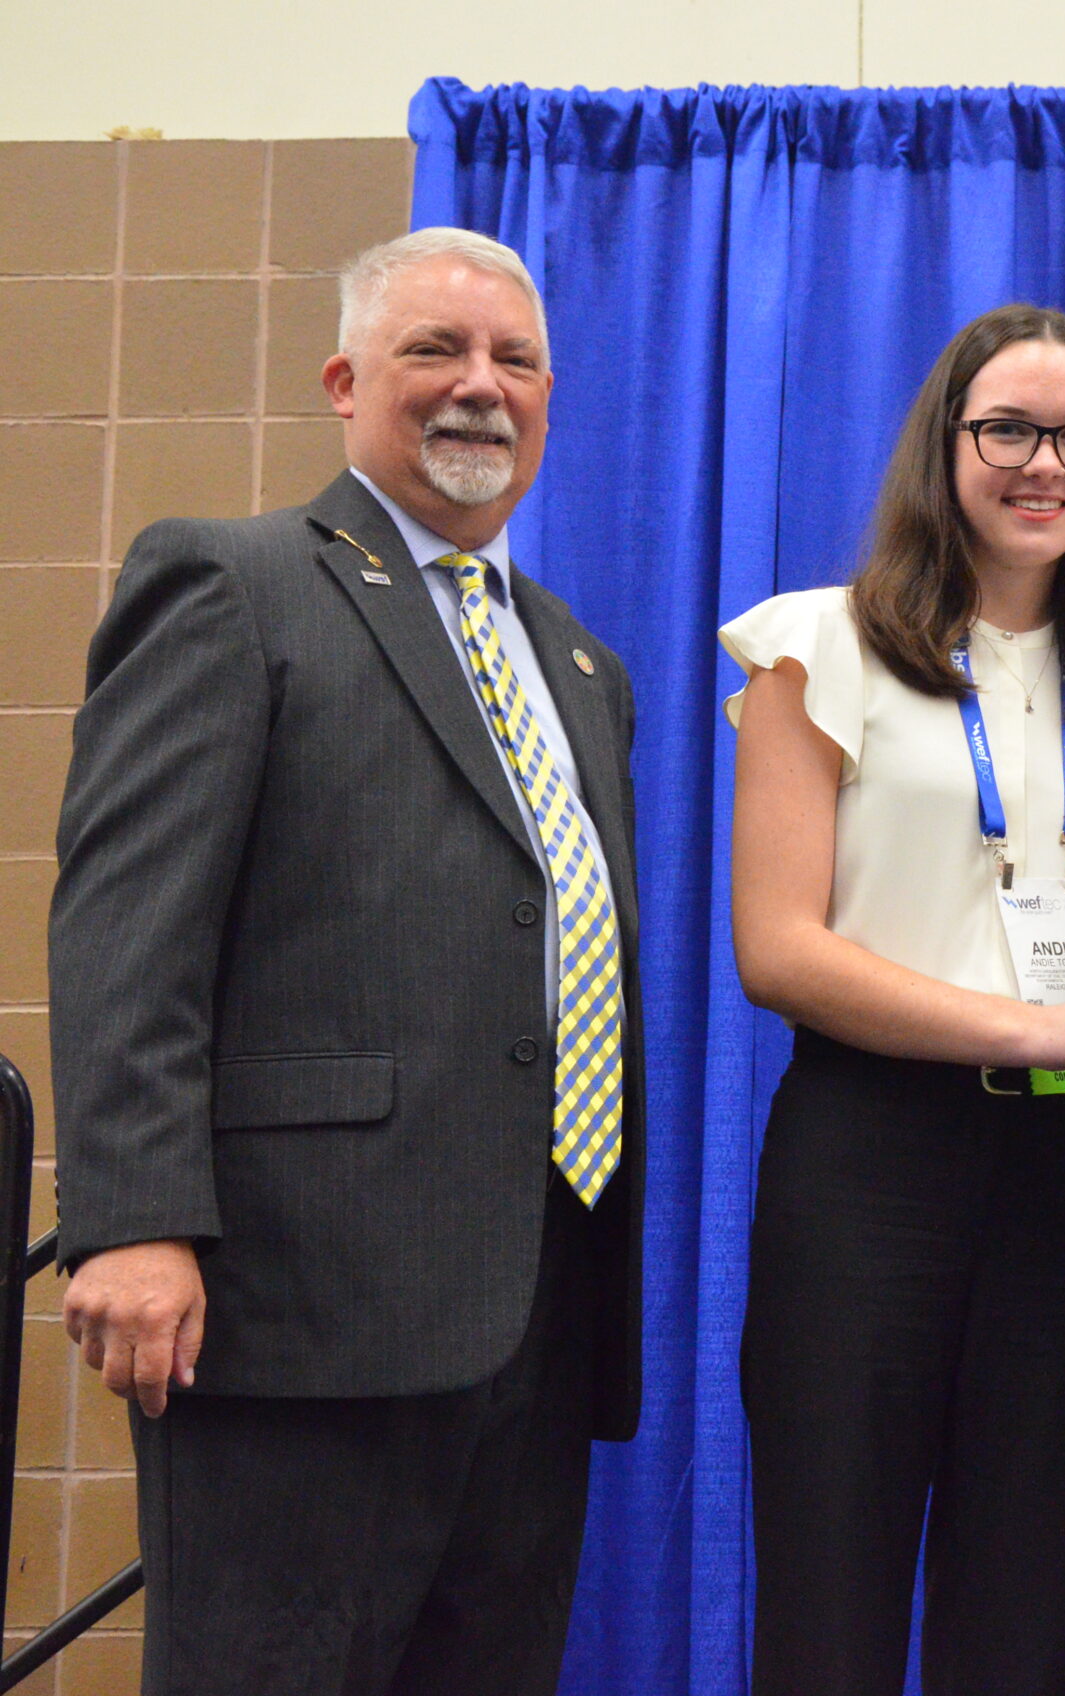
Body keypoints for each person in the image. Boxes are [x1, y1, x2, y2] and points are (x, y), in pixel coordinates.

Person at [48, 227, 647, 1695]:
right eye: (434, 351)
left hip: (536, 1319)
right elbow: (129, 923)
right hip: (296, 1312)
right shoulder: (232, 584)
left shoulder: (577, 663)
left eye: (514, 360)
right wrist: (130, 1218)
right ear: (342, 381)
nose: (479, 389)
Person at [720, 303, 1065, 1695]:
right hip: (867, 1160)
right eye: (1009, 428)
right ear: (947, 444)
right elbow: (778, 951)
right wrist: (1039, 1027)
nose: (1043, 463)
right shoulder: (818, 647)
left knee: (1024, 1612)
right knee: (830, 1599)